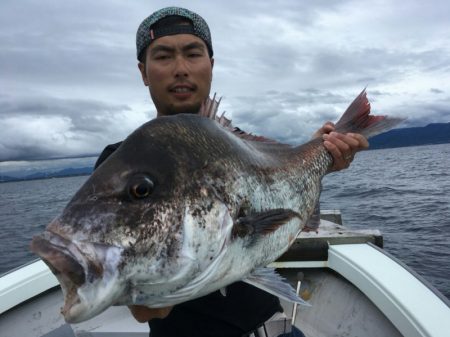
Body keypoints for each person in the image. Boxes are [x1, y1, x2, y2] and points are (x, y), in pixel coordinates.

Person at [94, 7, 369, 337]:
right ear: (143, 71)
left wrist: (316, 153)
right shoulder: (124, 165)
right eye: (164, 56)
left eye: (193, 54)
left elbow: (275, 199)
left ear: (211, 65)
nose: (180, 69)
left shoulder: (235, 142)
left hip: (271, 328)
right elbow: (143, 308)